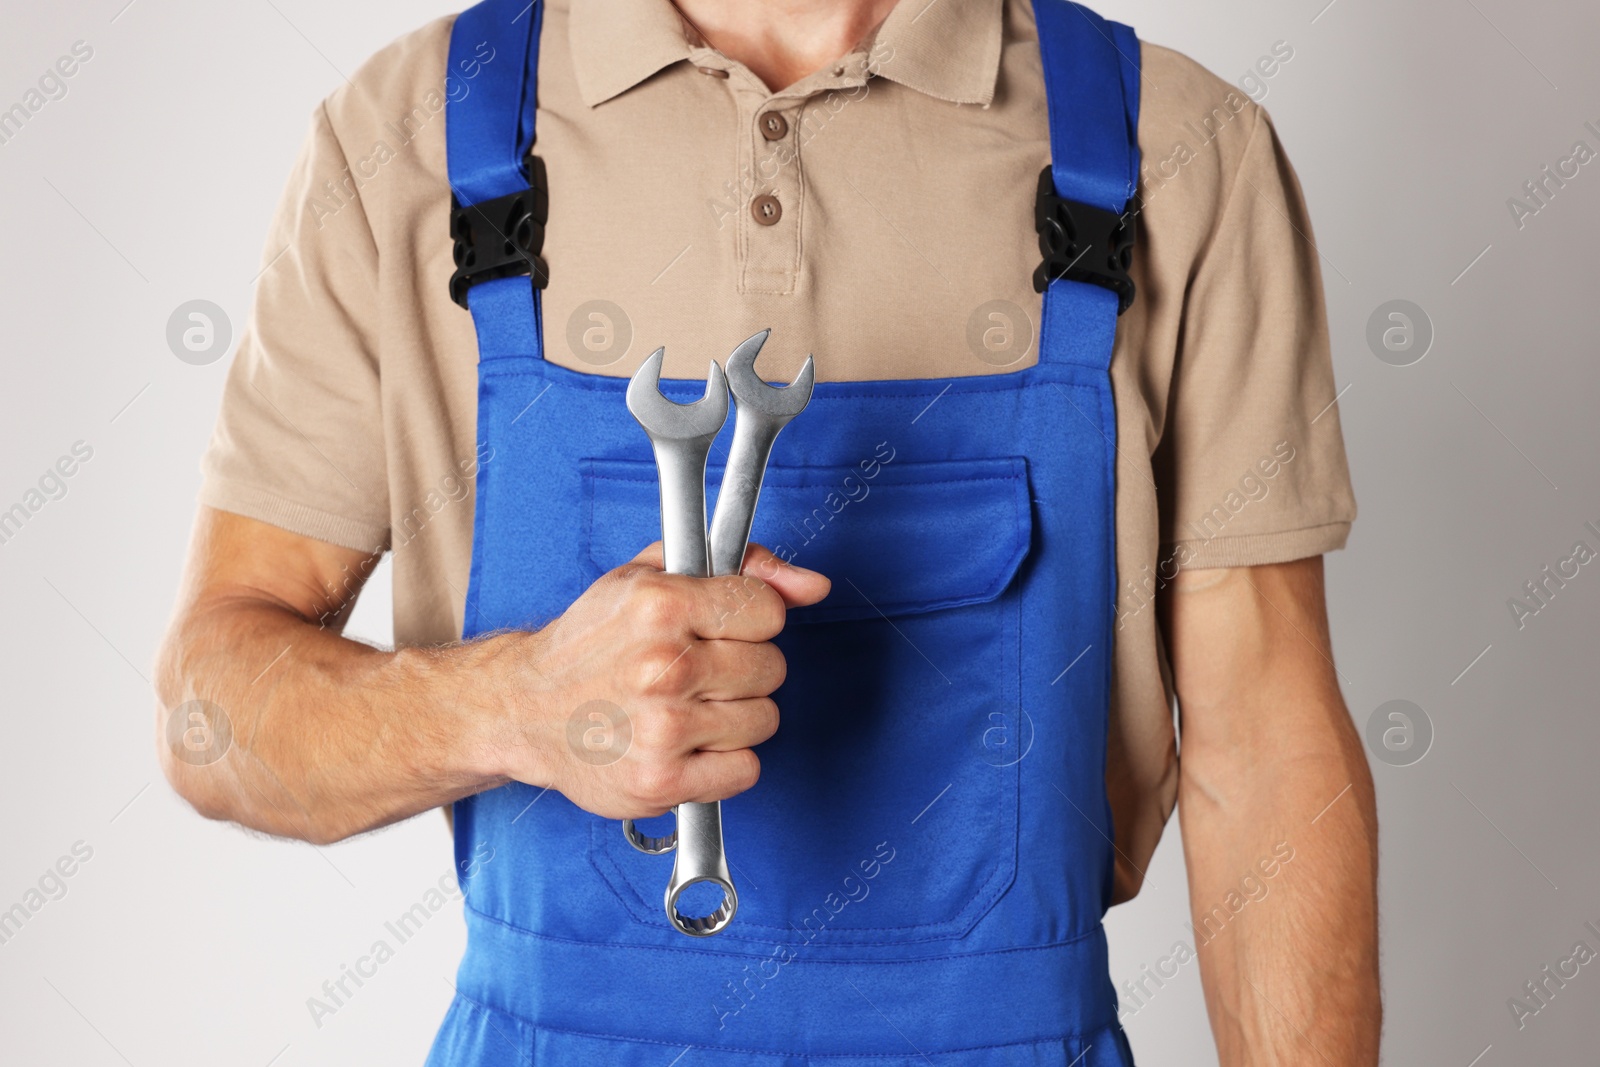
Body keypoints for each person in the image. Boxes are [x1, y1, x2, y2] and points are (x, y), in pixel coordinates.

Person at [156, 0, 1379, 1062]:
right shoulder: (414, 133)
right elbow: (209, 714)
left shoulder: (1171, 146)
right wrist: (518, 705)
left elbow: (1265, 754)